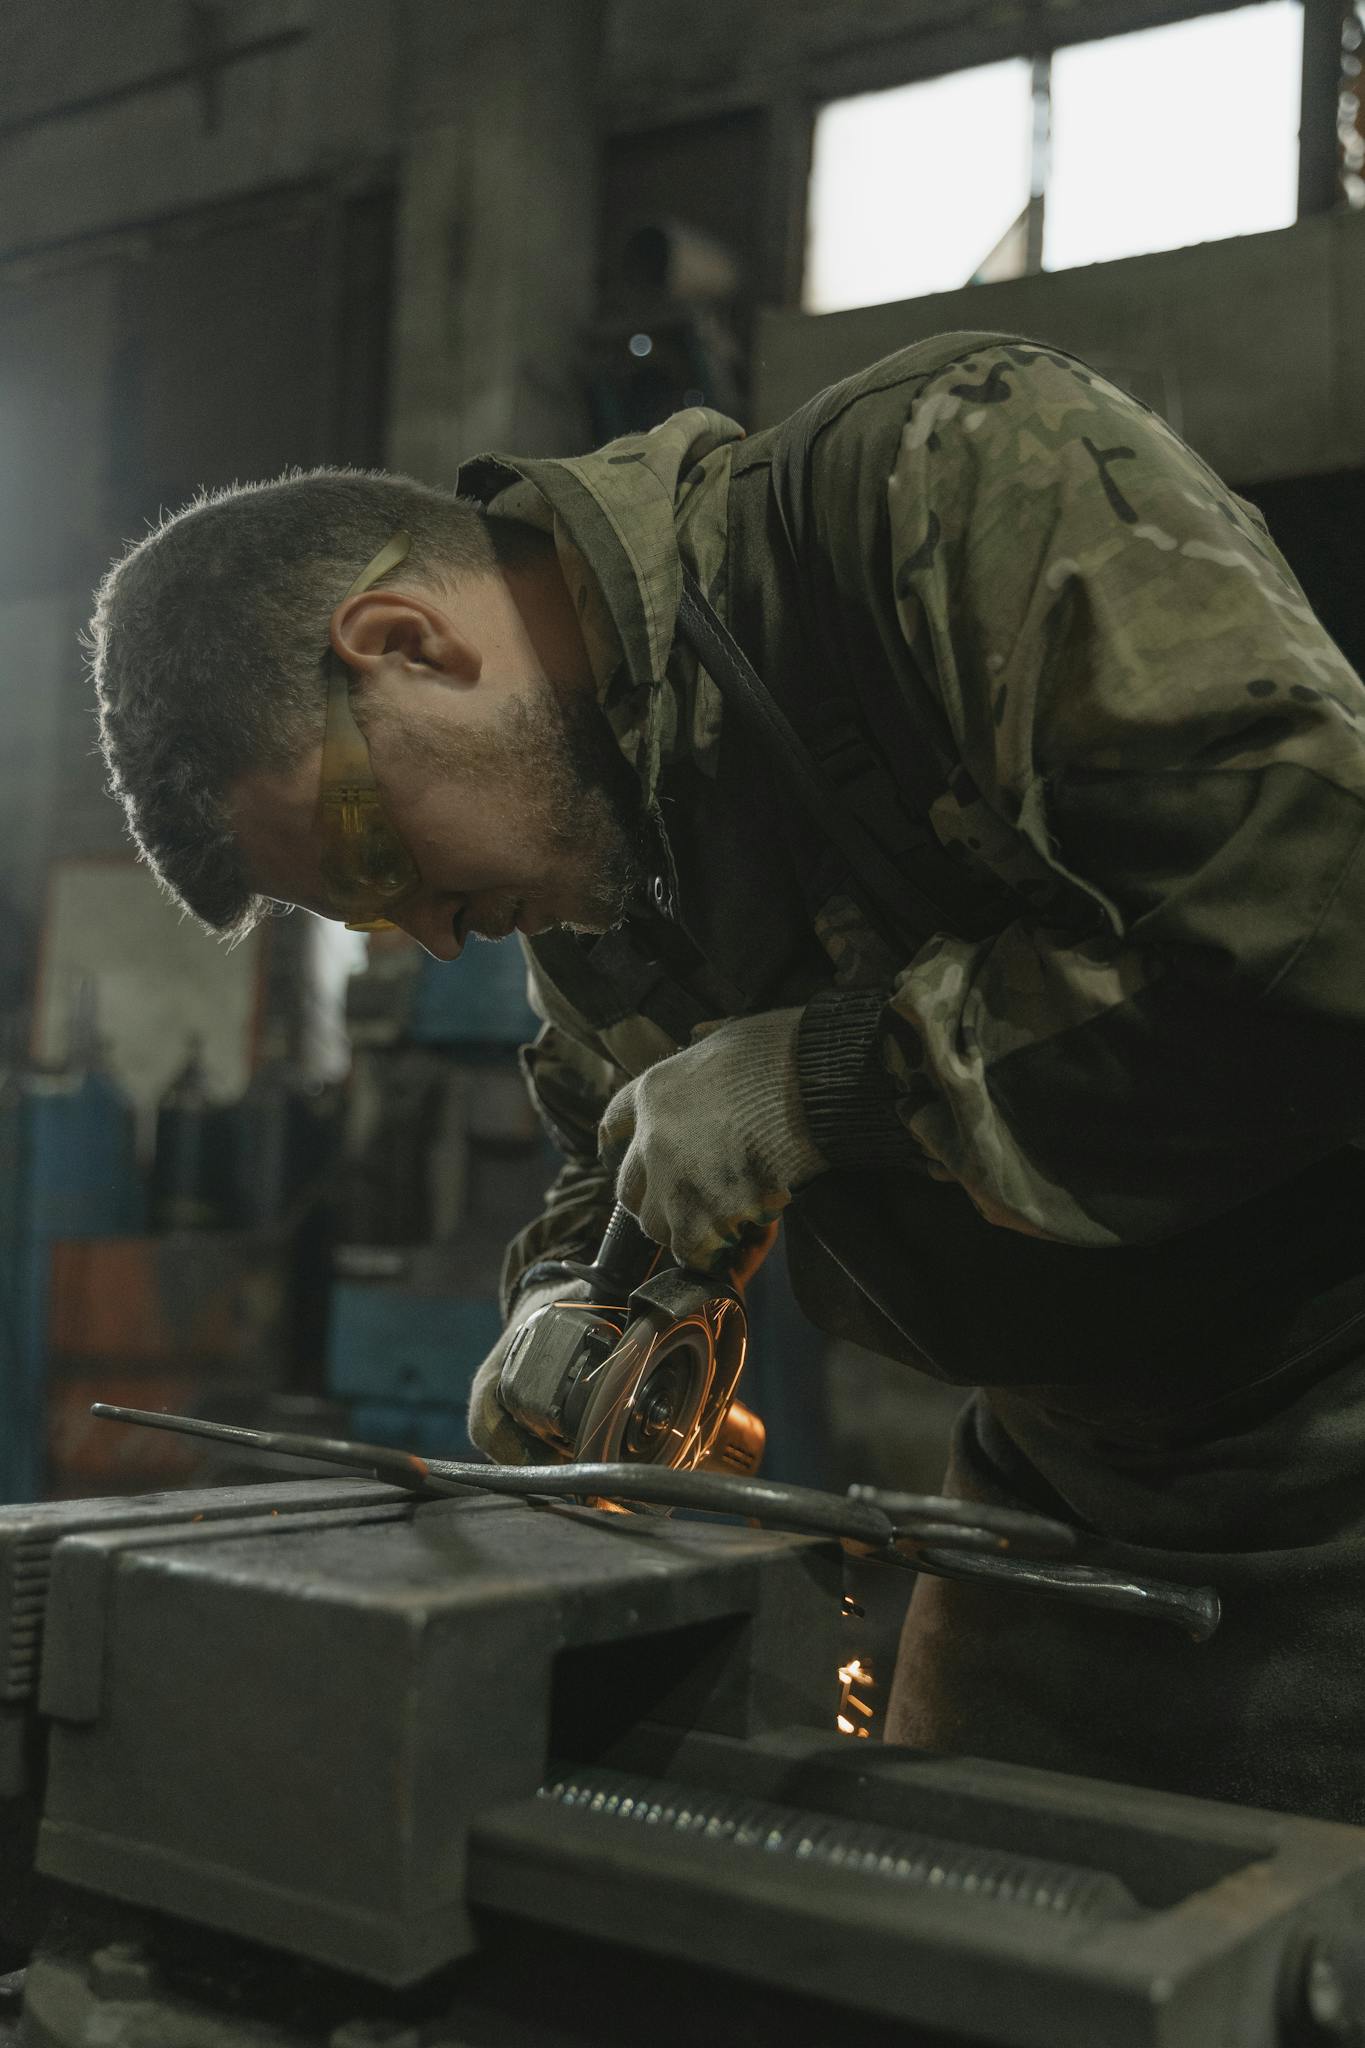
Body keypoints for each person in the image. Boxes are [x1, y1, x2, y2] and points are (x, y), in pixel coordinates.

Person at [89, 330, 1365, 1823]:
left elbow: (1301, 938)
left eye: (380, 864)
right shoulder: (597, 854)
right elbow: (616, 1151)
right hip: (1059, 1489)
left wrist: (823, 1088)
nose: (430, 937)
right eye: (373, 920)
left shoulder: (936, 480)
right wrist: (577, 1309)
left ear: (408, 646)